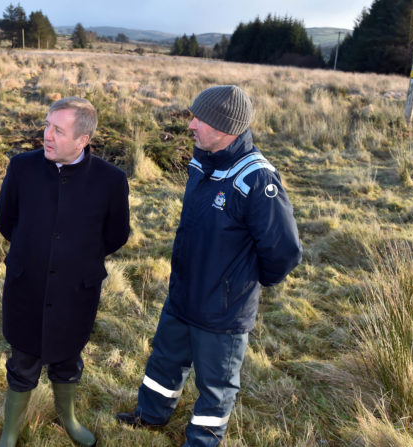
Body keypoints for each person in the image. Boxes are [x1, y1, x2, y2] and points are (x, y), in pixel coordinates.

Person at [116, 85, 302, 446]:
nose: (191, 126)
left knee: (216, 387)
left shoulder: (258, 179)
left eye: (199, 119)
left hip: (223, 312)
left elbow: (284, 251)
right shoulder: (202, 159)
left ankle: (202, 441)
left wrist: (242, 284)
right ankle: (150, 415)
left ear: (225, 127)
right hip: (183, 294)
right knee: (165, 361)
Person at [0, 96, 130, 446]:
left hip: (76, 290)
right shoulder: (21, 167)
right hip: (27, 284)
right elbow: (5, 220)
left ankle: (68, 418)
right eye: (46, 125)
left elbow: (116, 236)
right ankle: (10, 433)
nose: (47, 135)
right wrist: (37, 252)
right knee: (22, 359)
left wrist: (75, 259)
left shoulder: (111, 181)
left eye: (58, 129)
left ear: (83, 140)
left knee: (67, 357)